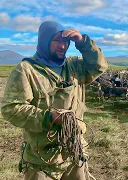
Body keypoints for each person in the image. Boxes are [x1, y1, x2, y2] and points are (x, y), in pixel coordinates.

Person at [1, 21, 108, 179]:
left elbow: (99, 67)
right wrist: (48, 117)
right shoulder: (26, 70)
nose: (62, 46)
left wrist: (83, 43)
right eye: (56, 40)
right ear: (44, 41)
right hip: (41, 161)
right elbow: (11, 108)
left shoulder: (74, 66)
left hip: (74, 156)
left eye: (65, 41)